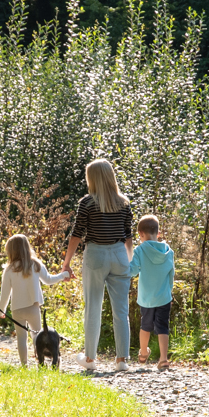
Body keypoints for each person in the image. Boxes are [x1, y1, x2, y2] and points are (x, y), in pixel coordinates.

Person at [60, 159, 133, 371]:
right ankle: (122, 360)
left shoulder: (88, 202)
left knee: (93, 307)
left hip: (96, 255)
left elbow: (76, 234)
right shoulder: (124, 203)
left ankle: (90, 359)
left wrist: (67, 262)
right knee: (121, 310)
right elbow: (127, 236)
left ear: (92, 178)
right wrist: (128, 261)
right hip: (120, 254)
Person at [0, 234, 71, 366]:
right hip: (33, 307)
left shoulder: (9, 270)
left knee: (21, 338)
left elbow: (5, 293)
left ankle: (24, 365)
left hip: (17, 309)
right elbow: (49, 280)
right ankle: (40, 361)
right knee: (37, 337)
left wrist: (1, 310)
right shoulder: (36, 265)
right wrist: (64, 275)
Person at [127, 214, 175, 370]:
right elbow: (171, 275)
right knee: (163, 326)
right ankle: (163, 359)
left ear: (140, 234)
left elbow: (132, 271)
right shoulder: (169, 251)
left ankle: (143, 353)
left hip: (146, 298)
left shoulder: (139, 250)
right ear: (158, 233)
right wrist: (169, 292)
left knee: (145, 325)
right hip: (164, 296)